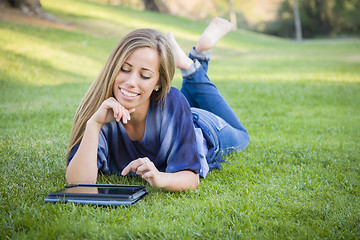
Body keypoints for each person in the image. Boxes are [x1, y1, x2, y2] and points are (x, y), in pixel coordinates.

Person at [65, 17, 249, 192]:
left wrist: (160, 178)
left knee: (242, 136)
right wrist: (94, 124)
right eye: (124, 69)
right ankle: (192, 59)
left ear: (159, 83)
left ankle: (191, 63)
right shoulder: (99, 109)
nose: (131, 81)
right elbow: (79, 184)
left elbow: (191, 178)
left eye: (144, 76)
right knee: (177, 107)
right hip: (174, 119)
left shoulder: (173, 102)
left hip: (204, 128)